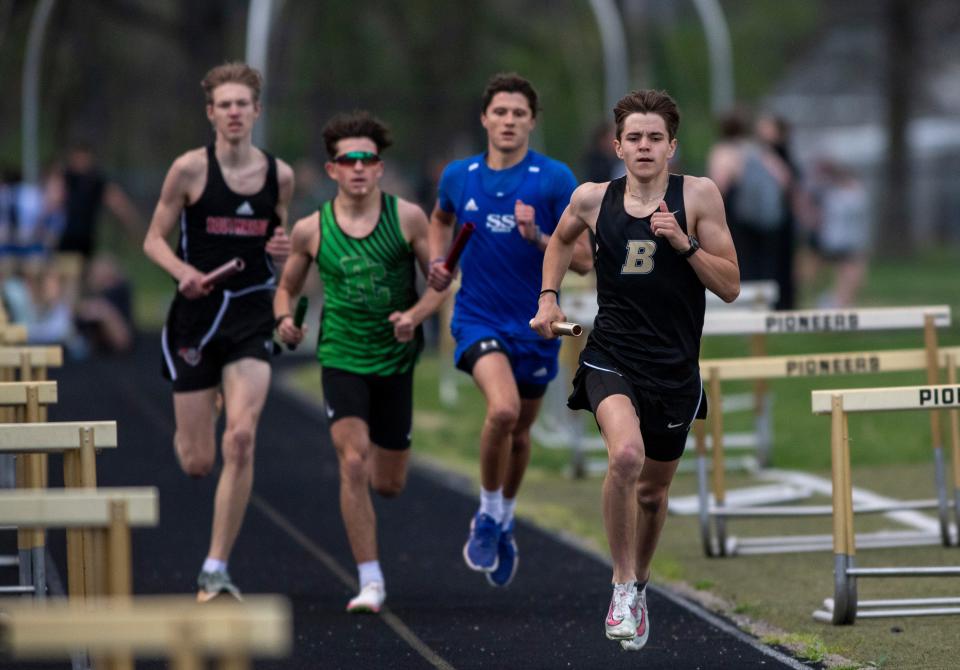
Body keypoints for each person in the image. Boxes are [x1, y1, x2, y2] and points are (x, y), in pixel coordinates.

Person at [530, 89, 739, 650]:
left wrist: (685, 244)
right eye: (634, 138)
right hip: (611, 354)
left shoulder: (698, 196)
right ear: (617, 145)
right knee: (625, 455)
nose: (644, 147)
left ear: (672, 146)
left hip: (674, 368)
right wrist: (549, 298)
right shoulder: (593, 199)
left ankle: (640, 583)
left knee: (652, 494)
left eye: (655, 138)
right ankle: (621, 583)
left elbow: (731, 286)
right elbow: (559, 243)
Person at [274, 111, 447, 613]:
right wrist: (285, 320)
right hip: (341, 355)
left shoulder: (408, 217)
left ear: (378, 167)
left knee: (387, 483)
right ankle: (370, 581)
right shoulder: (311, 229)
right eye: (347, 160)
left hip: (394, 360)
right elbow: (285, 289)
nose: (357, 168)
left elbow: (439, 285)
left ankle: (376, 490)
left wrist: (415, 315)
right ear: (332, 170)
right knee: (352, 461)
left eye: (367, 159)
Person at [427, 73, 593, 587]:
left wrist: (538, 234)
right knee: (501, 411)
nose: (508, 121)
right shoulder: (459, 176)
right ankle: (484, 513)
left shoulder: (553, 179)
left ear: (532, 122)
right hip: (476, 317)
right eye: (500, 112)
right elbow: (439, 219)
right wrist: (439, 260)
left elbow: (584, 261)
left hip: (536, 325)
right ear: (485, 118)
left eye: (519, 113)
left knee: (521, 434)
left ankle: (503, 521)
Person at [142, 62, 294, 602]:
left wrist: (281, 252)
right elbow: (153, 240)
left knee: (242, 438)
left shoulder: (280, 175)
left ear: (256, 111)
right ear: (211, 113)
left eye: (242, 104)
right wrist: (182, 272)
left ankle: (215, 567)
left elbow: (282, 245)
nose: (234, 112)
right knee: (198, 461)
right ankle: (209, 407)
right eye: (224, 104)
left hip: (251, 314)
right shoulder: (187, 170)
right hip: (196, 320)